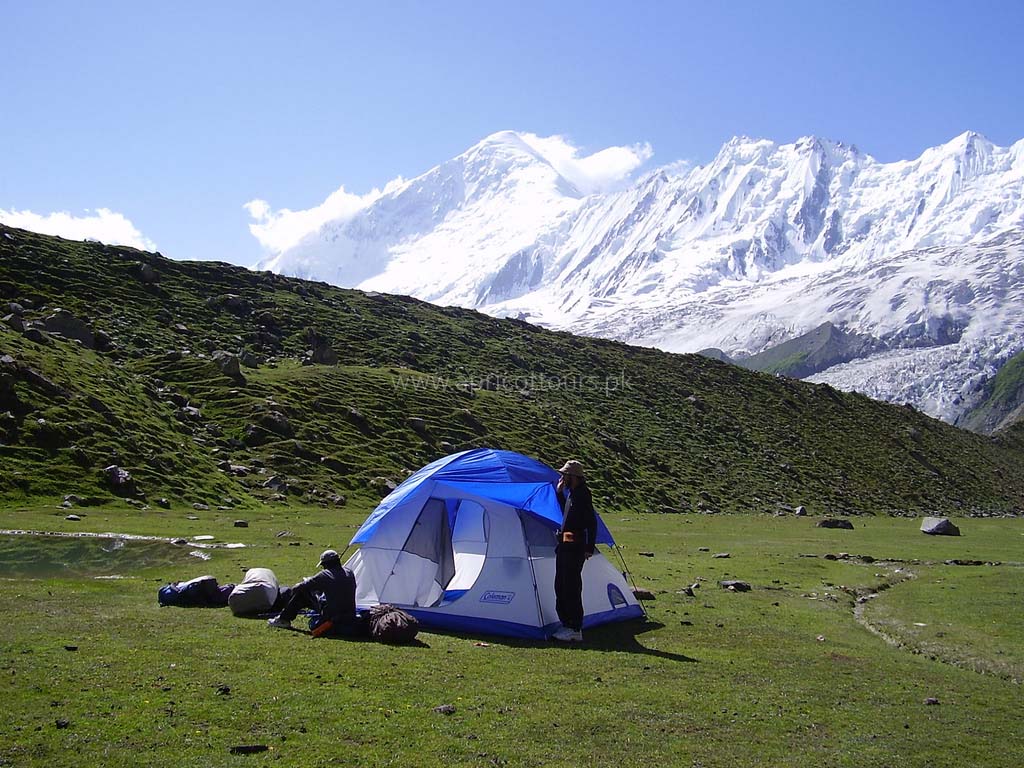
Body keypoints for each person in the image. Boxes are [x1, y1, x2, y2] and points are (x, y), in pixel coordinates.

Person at [551, 459, 597, 643]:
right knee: (560, 585)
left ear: (574, 477)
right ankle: (566, 622)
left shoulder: (583, 495)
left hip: (575, 547)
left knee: (571, 586)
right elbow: (567, 514)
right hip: (564, 546)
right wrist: (560, 494)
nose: (562, 477)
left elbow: (591, 523)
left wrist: (589, 547)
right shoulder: (572, 494)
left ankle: (574, 627)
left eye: (565, 475)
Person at [267, 549, 357, 635]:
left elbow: (299, 587)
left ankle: (283, 619)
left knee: (302, 593)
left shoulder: (325, 574)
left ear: (326, 564)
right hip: (349, 615)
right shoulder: (349, 572)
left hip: (332, 615)